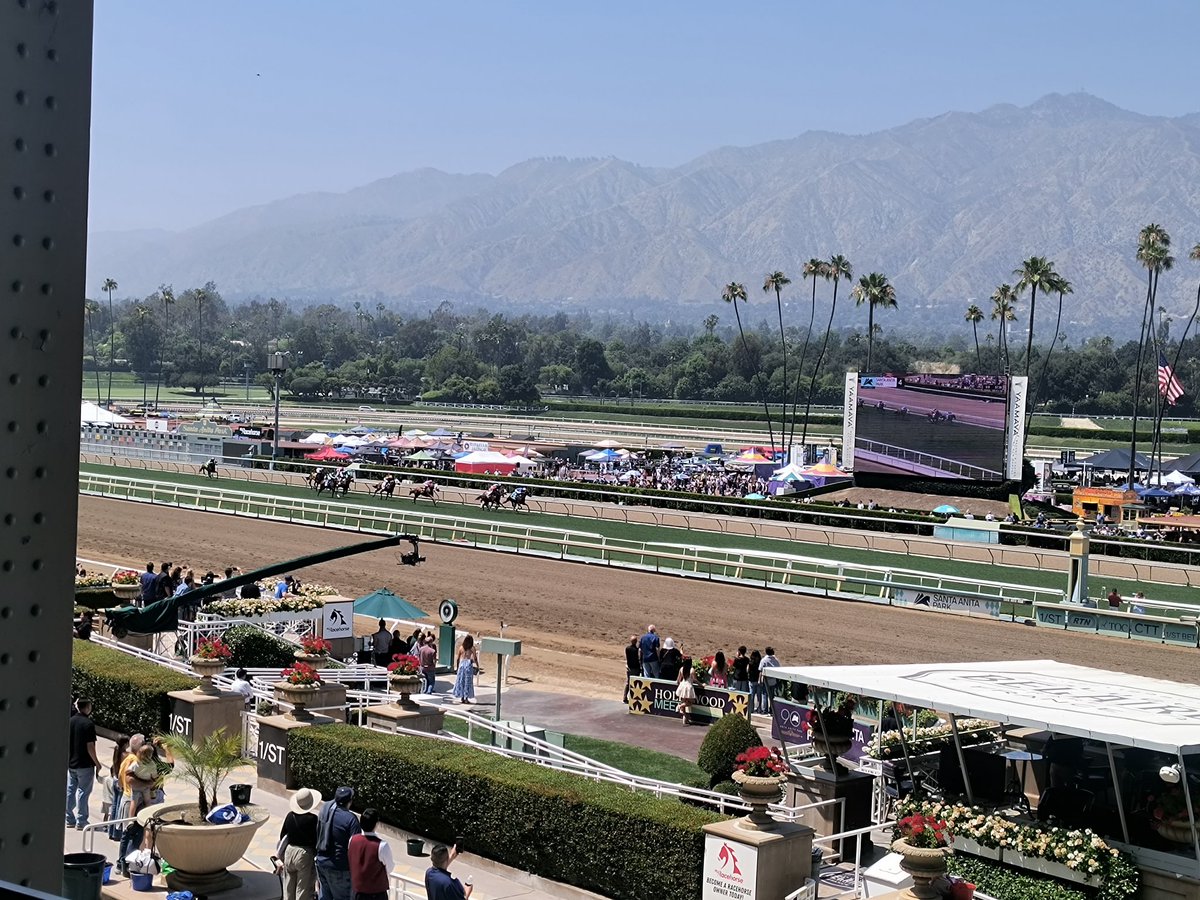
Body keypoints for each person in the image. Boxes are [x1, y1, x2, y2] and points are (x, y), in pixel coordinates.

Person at [316, 786, 362, 900]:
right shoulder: (351, 819)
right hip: (339, 868)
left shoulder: (325, 811)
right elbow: (356, 848)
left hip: (321, 863)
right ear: (350, 801)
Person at [276, 787, 322, 900]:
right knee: (302, 889)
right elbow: (317, 840)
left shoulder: (290, 816)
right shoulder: (313, 819)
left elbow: (283, 836)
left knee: (288, 886)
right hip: (304, 854)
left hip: (289, 852)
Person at [66, 698, 103, 830]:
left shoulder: (70, 721)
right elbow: (90, 746)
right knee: (83, 792)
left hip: (71, 763)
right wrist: (97, 763)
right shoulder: (88, 724)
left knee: (71, 790)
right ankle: (81, 821)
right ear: (86, 707)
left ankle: (69, 818)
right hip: (85, 764)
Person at [348, 808, 393, 900]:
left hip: (357, 892)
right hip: (376, 894)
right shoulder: (382, 845)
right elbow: (390, 867)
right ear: (376, 824)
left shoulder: (352, 840)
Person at [452, 634, 478, 704]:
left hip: (462, 664)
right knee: (467, 682)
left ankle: (462, 697)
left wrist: (457, 667)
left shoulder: (461, 647)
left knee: (461, 681)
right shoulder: (472, 648)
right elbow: (475, 658)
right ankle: (466, 698)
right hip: (468, 664)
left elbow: (457, 658)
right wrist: (477, 665)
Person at [758, 647, 780, 713]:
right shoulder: (776, 660)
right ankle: (771, 710)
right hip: (773, 680)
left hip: (766, 680)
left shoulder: (764, 660)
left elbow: (760, 670)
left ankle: (765, 710)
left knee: (765, 695)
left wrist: (759, 680)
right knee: (772, 696)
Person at [748, 649, 764, 714]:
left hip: (752, 680)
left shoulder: (750, 663)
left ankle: (751, 709)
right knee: (759, 696)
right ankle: (759, 708)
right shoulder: (760, 662)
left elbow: (747, 670)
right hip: (758, 680)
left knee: (751, 696)